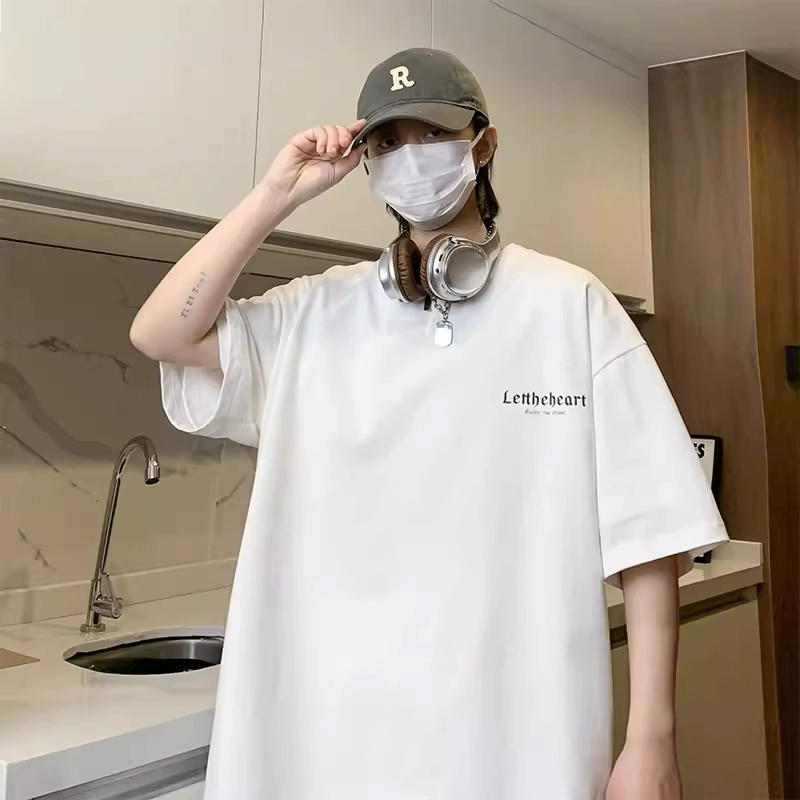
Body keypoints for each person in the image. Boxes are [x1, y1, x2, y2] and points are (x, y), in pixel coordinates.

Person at [131, 48, 728, 800]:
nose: (409, 157)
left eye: (432, 134)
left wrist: (651, 742)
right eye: (387, 142)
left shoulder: (567, 305)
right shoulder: (314, 313)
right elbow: (162, 333)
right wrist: (277, 193)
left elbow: (651, 538)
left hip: (510, 744)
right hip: (325, 737)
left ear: (483, 145)